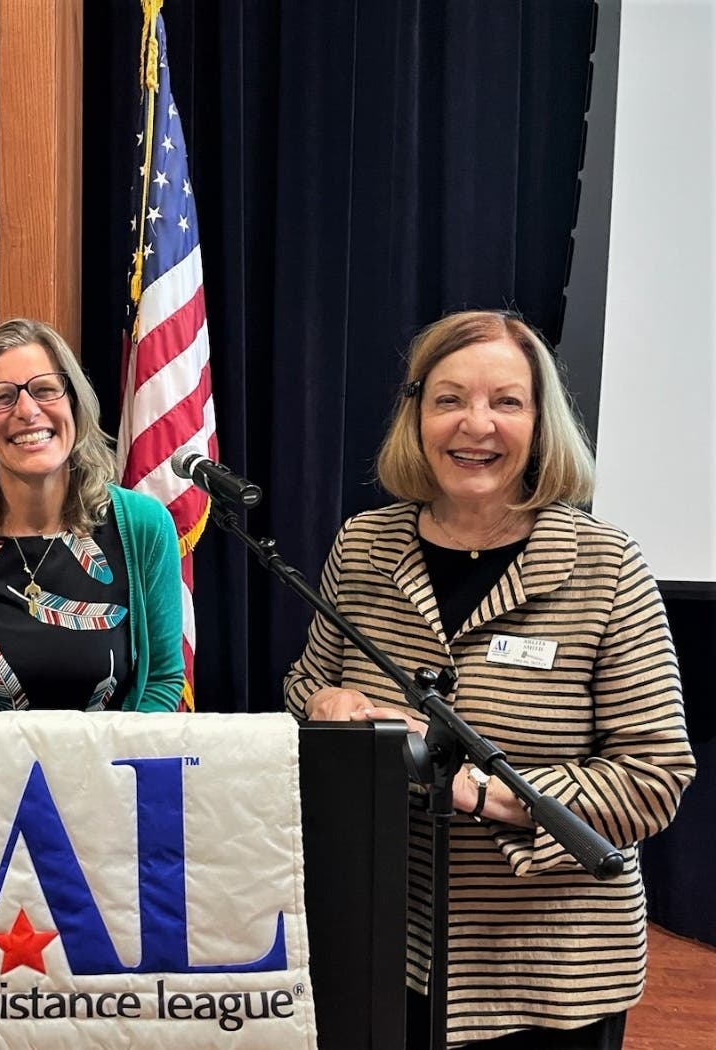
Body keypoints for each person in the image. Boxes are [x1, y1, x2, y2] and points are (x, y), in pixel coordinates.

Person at [284, 310, 694, 1049]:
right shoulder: (364, 545)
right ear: (417, 416)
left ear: (540, 422)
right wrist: (324, 703)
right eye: (449, 399)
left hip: (549, 974)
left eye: (506, 401)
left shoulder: (607, 567)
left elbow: (653, 777)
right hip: (381, 947)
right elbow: (303, 689)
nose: (476, 425)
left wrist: (471, 787)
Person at [0, 317, 184, 712]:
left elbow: (162, 681)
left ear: (74, 405)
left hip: (115, 753)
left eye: (45, 390)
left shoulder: (144, 526)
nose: (28, 411)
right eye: (2, 397)